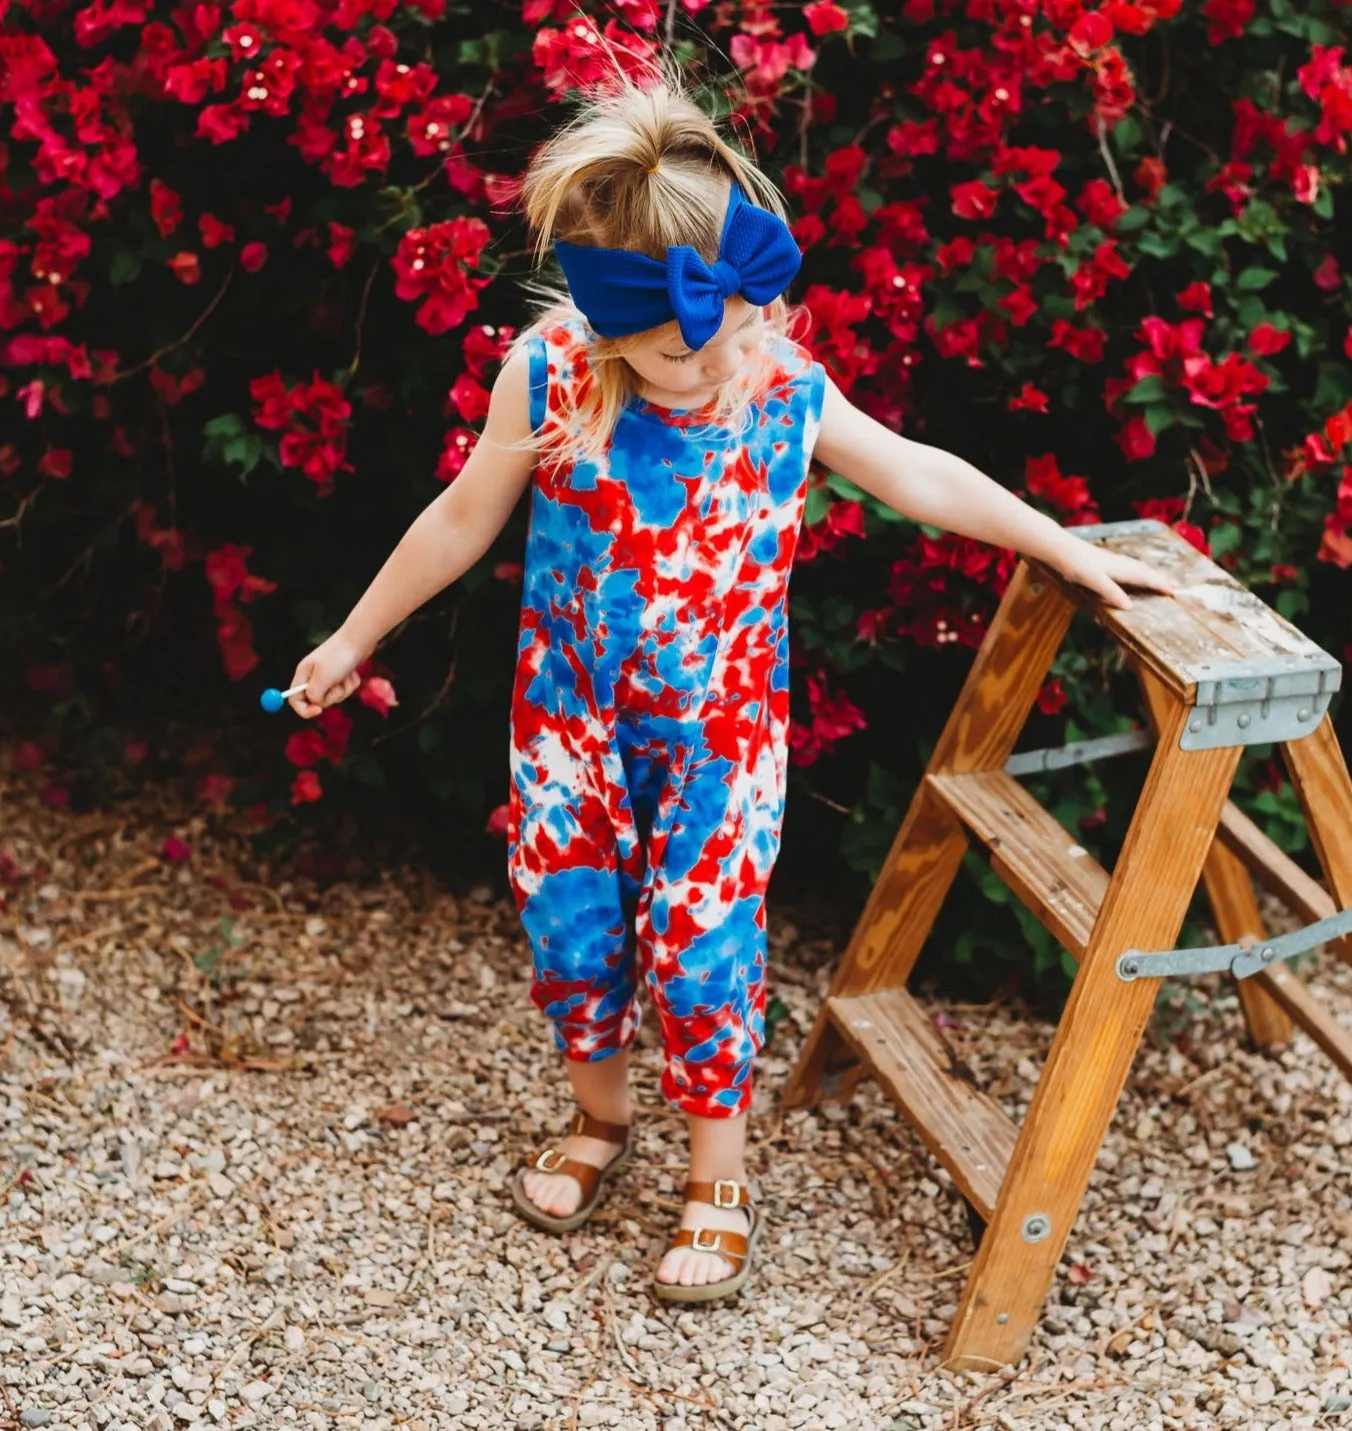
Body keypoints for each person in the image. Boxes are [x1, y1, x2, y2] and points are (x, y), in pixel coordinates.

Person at [285, 73, 1171, 1305]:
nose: (708, 365)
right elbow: (459, 519)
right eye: (672, 352)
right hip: (571, 723)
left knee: (705, 948)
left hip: (720, 734)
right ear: (607, 332)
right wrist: (353, 636)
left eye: (734, 331)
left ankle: (718, 1175)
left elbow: (919, 473)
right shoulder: (547, 379)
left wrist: (1059, 544)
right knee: (572, 931)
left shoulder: (782, 388)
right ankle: (599, 1122)